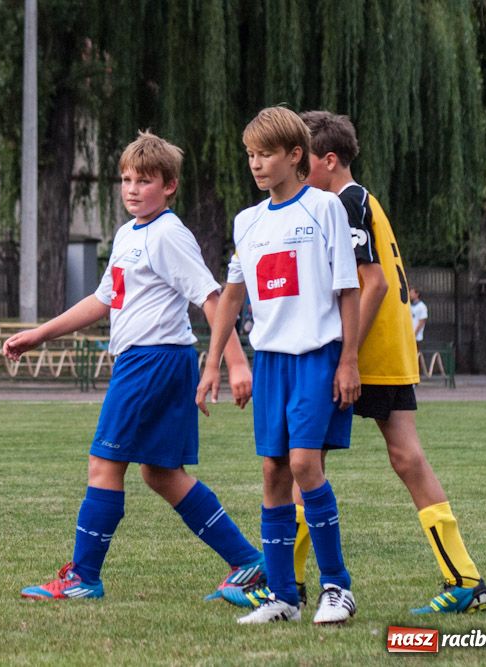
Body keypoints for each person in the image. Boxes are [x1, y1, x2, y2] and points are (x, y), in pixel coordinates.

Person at [4, 130, 266, 603]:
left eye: (144, 180)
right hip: (155, 362)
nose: (131, 188)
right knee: (160, 473)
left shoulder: (168, 234)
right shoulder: (129, 233)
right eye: (125, 179)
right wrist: (40, 334)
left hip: (153, 361)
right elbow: (104, 299)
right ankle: (248, 563)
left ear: (168, 186)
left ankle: (83, 576)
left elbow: (212, 298)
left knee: (104, 463)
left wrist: (235, 365)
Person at [285, 111, 486, 615]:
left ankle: (285, 584)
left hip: (364, 353)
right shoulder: (361, 199)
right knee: (399, 458)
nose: (294, 167)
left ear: (328, 161)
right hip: (386, 349)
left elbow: (370, 280)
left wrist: (347, 355)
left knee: (305, 460)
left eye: (300, 158)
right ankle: (465, 578)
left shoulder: (345, 203)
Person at [197, 107, 361, 624]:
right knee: (272, 471)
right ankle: (283, 596)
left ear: (295, 156)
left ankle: (337, 587)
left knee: (305, 466)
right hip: (269, 363)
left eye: (266, 154)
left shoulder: (325, 208)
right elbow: (231, 297)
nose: (257, 164)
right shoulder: (247, 222)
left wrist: (348, 360)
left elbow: (348, 289)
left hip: (317, 358)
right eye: (250, 155)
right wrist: (211, 367)